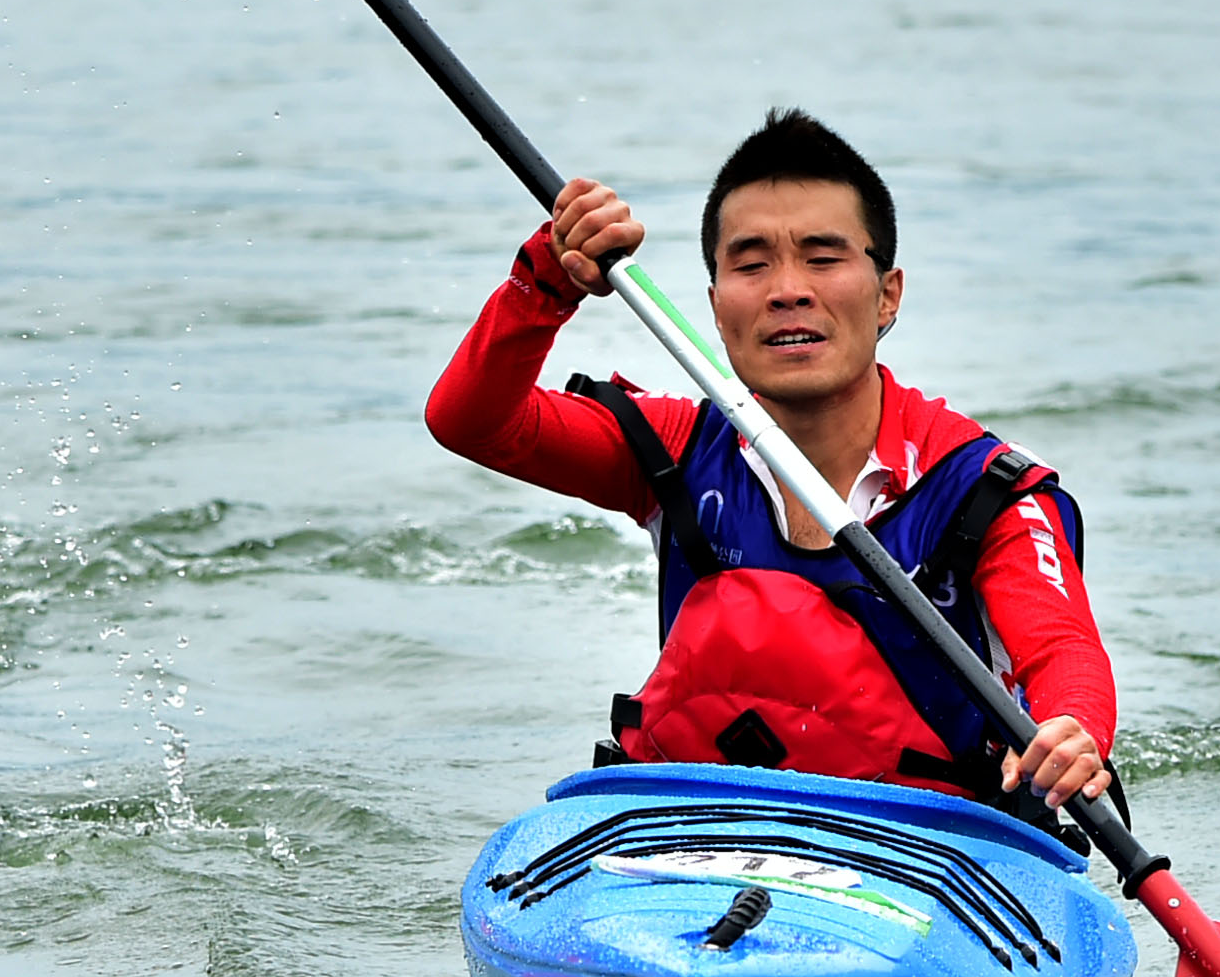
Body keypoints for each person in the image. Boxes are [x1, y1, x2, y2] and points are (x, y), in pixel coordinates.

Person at [425, 109, 1116, 817]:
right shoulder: (677, 450)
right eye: (751, 265)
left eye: (823, 258)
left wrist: (1074, 730)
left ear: (888, 295)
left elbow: (1064, 655)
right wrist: (548, 280)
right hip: (699, 830)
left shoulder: (984, 491)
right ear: (716, 306)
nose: (788, 288)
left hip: (928, 847)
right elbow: (474, 423)